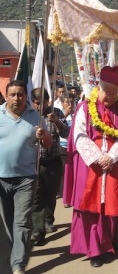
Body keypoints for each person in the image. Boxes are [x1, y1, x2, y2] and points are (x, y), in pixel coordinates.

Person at [63, 65, 118, 268]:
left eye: (114, 93)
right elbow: (78, 135)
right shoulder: (85, 107)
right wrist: (97, 157)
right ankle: (94, 249)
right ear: (99, 88)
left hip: (113, 165)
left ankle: (111, 241)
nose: (111, 97)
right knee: (90, 207)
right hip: (90, 166)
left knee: (112, 203)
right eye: (107, 92)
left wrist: (112, 157)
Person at [0, 80, 52, 274]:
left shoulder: (35, 117)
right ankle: (14, 251)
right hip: (1, 178)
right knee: (7, 222)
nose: (16, 98)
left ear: (26, 97)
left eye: (20, 94)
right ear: (6, 96)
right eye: (12, 94)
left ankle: (18, 264)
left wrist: (44, 135)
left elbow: (48, 144)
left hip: (26, 178)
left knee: (21, 221)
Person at [30, 88, 70, 245]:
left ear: (49, 101)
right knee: (37, 195)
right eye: (37, 103)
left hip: (53, 160)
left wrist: (58, 122)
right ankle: (38, 229)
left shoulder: (57, 113)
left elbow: (67, 133)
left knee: (50, 193)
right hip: (35, 162)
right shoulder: (29, 116)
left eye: (44, 102)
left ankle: (48, 219)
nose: (41, 106)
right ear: (33, 102)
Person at [57, 92, 75, 200]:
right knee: (64, 172)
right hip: (63, 147)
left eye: (72, 102)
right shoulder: (59, 114)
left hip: (74, 147)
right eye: (68, 102)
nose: (70, 105)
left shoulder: (77, 113)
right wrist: (64, 116)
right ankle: (65, 195)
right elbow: (56, 127)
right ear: (62, 103)